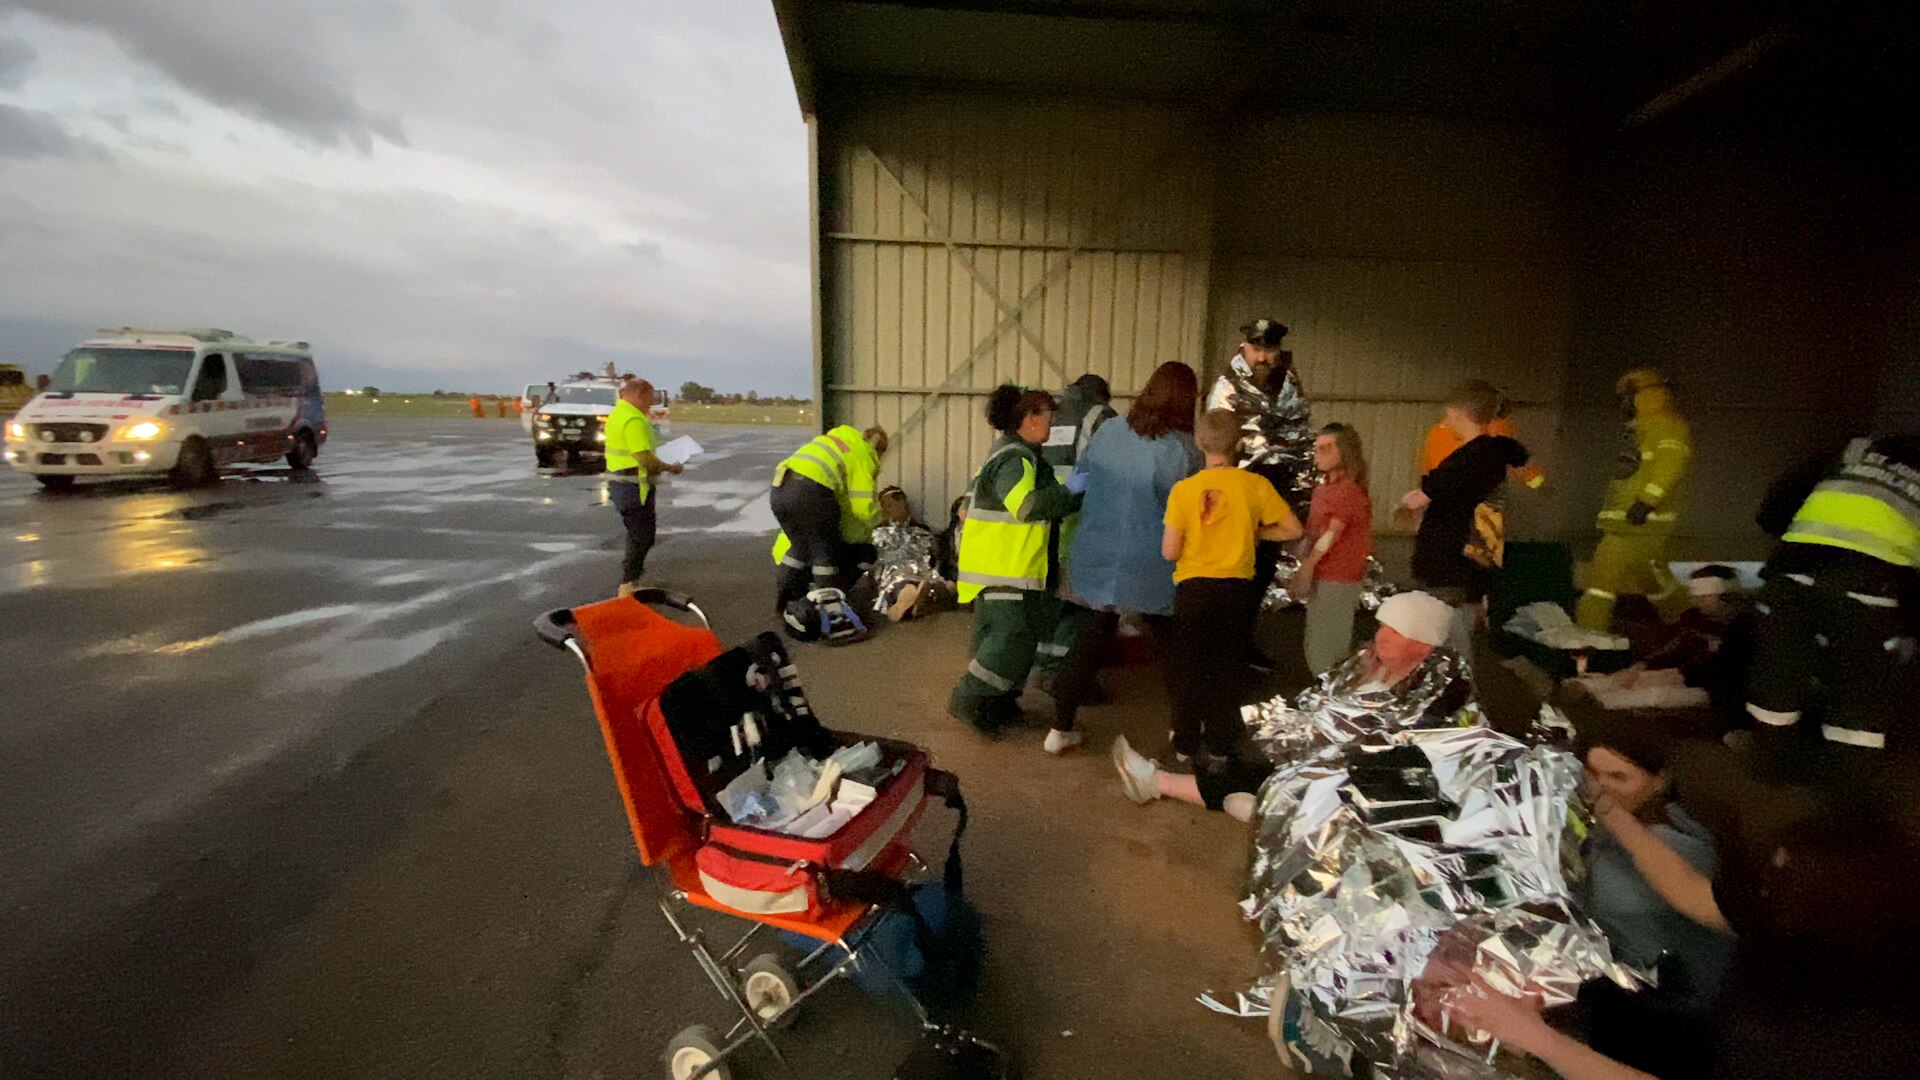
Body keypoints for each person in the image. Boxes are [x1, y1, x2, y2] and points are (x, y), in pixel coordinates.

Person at [1112, 591, 1456, 821]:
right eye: (1382, 627)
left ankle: (1265, 809)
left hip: (1358, 785)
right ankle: (1165, 783)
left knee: (1279, 781)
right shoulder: (1371, 663)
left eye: (1395, 633)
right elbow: (1322, 701)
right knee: (1256, 761)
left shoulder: (1432, 692)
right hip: (1322, 760)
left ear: (1423, 647)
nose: (1381, 637)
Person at [1041, 362, 1204, 755]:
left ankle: (1059, 728)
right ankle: (1184, 736)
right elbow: (1193, 508)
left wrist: (1059, 502)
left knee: (1089, 640)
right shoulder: (1186, 448)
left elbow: (1079, 480)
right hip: (1153, 559)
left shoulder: (1109, 430)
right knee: (1174, 649)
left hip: (1097, 550)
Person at [1562, 707, 1734, 1077]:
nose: (1600, 787)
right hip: (1633, 997)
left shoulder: (1675, 844)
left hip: (1671, 1019)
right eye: (1591, 774)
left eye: (1618, 777)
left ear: (1659, 781)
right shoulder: (1616, 828)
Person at [1743, 434, 1918, 796]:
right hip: (1867, 589)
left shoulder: (1859, 448)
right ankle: (1843, 799)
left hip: (1791, 576)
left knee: (1778, 682)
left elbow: (1773, 508)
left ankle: (1767, 783)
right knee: (1861, 695)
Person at [1160, 409, 1303, 768]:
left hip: (1194, 589)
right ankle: (1221, 745)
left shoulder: (1183, 490)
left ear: (1199, 442)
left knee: (1189, 667)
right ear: (1238, 443)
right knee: (1227, 667)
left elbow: (1170, 551)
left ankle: (1185, 742)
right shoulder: (1255, 486)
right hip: (1237, 589)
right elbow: (1293, 529)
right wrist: (1257, 532)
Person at [948, 386, 1082, 733]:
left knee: (1019, 645)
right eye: (1049, 415)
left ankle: (999, 704)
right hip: (1004, 569)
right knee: (1008, 644)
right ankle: (967, 700)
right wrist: (1070, 492)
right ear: (1030, 418)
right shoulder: (1015, 459)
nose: (1053, 423)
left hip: (1009, 569)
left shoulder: (1017, 454)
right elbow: (1026, 506)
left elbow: (967, 508)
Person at [1400, 382, 1529, 655]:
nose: (1444, 419)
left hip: (1453, 563)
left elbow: (1435, 497)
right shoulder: (1485, 457)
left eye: (1447, 412)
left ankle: (1456, 680)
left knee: (1448, 639)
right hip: (1464, 561)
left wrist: (1423, 498)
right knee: (1454, 635)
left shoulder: (1473, 460)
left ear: (1458, 412)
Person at [1576, 369, 1694, 631]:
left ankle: (1588, 632)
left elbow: (1670, 466)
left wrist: (1645, 502)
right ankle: (1686, 618)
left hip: (1637, 522)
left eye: (1627, 397)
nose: (1623, 404)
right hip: (1634, 523)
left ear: (1645, 396)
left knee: (1602, 581)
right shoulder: (1644, 431)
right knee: (1652, 578)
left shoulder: (1664, 428)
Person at [1207, 317, 1314, 596]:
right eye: (1256, 350)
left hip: (1277, 486)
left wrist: (1302, 495)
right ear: (1244, 347)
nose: (1262, 358)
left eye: (1269, 350)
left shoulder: (1289, 383)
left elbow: (1302, 433)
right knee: (1234, 567)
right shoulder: (1228, 385)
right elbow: (1217, 437)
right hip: (1239, 483)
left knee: (1264, 565)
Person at [1031, 373, 1120, 687]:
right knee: (1080, 604)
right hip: (1082, 517)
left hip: (1046, 516)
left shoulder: (1052, 414)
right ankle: (1064, 674)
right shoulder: (1100, 415)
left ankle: (1043, 665)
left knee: (1051, 597)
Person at [768, 424, 889, 611]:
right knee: (824, 552)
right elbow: (863, 507)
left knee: (799, 548)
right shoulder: (862, 454)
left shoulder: (836, 442)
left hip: (780, 489)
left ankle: (787, 601)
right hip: (812, 491)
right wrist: (881, 521)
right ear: (877, 448)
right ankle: (829, 610)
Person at [1295, 423, 1374, 674]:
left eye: (1327, 448)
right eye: (1317, 448)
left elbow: (1332, 533)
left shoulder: (1347, 491)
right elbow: (1318, 531)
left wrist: (1308, 565)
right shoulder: (1325, 489)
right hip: (1324, 574)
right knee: (1319, 638)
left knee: (1327, 642)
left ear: (1345, 451)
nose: (1318, 453)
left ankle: (1331, 688)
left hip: (1339, 576)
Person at [604, 378, 680, 593]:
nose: (651, 403)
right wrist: (669, 467)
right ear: (639, 394)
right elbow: (644, 458)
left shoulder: (618, 414)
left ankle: (631, 581)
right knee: (641, 537)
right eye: (650, 398)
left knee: (638, 535)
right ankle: (628, 585)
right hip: (634, 488)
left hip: (622, 485)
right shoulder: (633, 419)